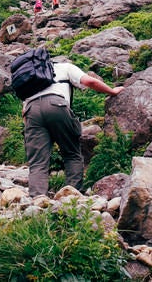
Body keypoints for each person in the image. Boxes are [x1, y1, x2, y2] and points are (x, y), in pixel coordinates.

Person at [23, 55, 123, 197]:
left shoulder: (32, 76)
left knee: (38, 161)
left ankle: (37, 199)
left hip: (31, 110)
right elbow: (89, 81)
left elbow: (24, 111)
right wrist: (112, 91)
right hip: (56, 105)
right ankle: (71, 196)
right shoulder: (65, 67)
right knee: (71, 154)